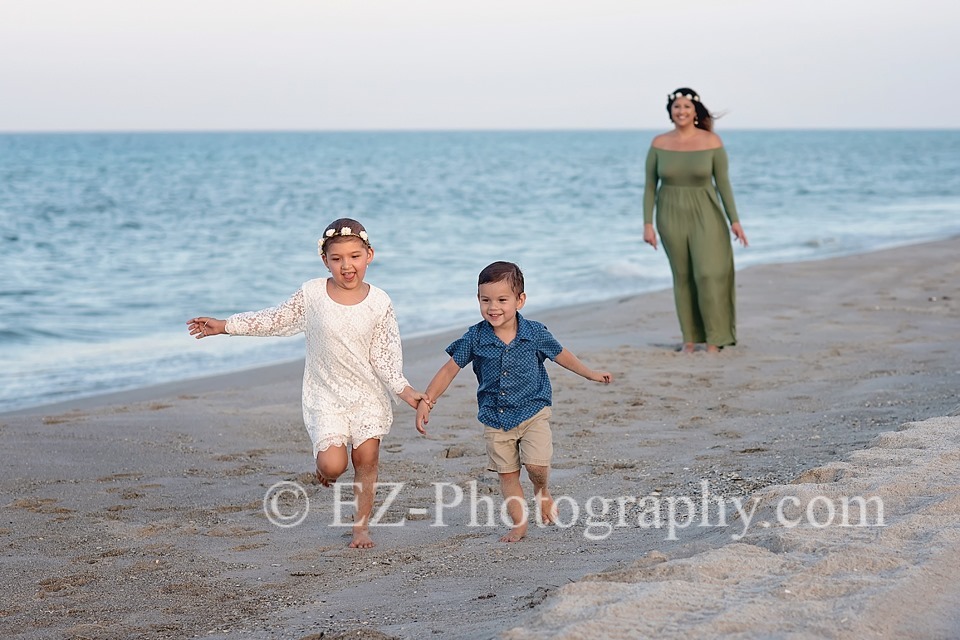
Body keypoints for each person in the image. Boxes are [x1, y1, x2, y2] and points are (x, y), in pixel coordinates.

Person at [186, 218, 424, 549]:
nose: (347, 266)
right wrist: (225, 325)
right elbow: (274, 320)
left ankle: (361, 527)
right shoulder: (312, 294)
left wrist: (405, 390)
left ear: (369, 255)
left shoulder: (379, 302)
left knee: (366, 458)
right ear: (325, 260)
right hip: (325, 394)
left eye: (354, 256)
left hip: (368, 394)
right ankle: (325, 470)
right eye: (337, 259)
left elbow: (385, 357)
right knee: (333, 464)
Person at [415, 261, 613, 543]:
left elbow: (561, 355)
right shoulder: (475, 337)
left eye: (502, 300)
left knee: (536, 466)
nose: (493, 307)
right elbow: (449, 369)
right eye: (486, 300)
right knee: (508, 475)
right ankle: (519, 524)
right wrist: (428, 400)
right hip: (495, 418)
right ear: (478, 300)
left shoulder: (534, 333)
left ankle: (542, 491)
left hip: (534, 410)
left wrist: (591, 374)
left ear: (520, 300)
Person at [643, 87, 748, 354]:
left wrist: (734, 220)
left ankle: (715, 338)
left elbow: (724, 184)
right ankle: (689, 339)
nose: (681, 112)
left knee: (708, 274)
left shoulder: (712, 142)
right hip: (669, 214)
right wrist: (648, 224)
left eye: (686, 107)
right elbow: (649, 186)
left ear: (695, 112)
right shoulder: (658, 143)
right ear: (671, 112)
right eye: (677, 107)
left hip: (707, 214)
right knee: (682, 277)